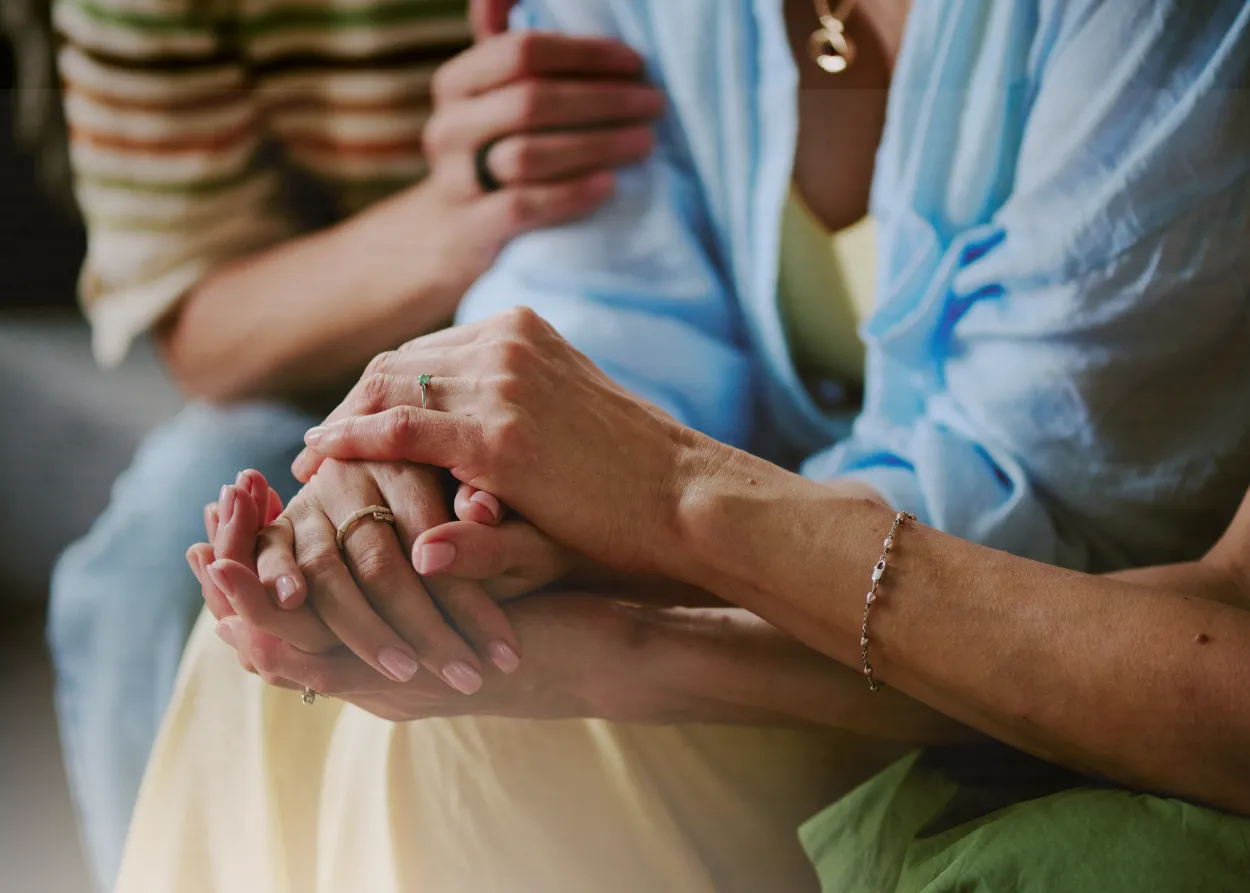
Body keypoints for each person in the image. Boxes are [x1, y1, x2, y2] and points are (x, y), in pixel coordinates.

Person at [122, 0, 1250, 891]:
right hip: (775, 554)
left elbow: (1054, 498)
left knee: (477, 727)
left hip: (1027, 615)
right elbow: (587, 305)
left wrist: (626, 534)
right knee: (299, 660)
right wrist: (444, 498)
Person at [45, 0, 664, 886]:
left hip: (616, 313)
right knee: (140, 580)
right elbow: (202, 326)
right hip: (330, 356)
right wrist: (452, 220)